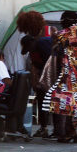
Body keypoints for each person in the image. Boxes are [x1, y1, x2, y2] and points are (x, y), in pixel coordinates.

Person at [44, 10, 77, 143]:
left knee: (65, 102)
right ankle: (71, 132)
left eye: (63, 21)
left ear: (68, 20)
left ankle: (68, 133)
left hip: (72, 75)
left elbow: (56, 36)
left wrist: (51, 31)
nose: (62, 23)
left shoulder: (73, 30)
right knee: (73, 104)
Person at [17, 10, 55, 139]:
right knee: (42, 101)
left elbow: (50, 62)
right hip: (40, 76)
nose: (27, 32)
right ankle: (44, 128)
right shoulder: (33, 39)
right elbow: (33, 61)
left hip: (50, 76)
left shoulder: (44, 39)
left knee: (50, 101)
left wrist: (43, 79)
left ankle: (54, 129)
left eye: (28, 29)